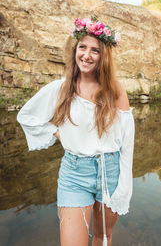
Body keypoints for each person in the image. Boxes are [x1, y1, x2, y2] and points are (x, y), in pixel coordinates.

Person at [17, 16, 135, 246]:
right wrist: (58, 133)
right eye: (82, 47)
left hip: (110, 172)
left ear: (104, 57)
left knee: (102, 237)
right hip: (74, 175)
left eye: (95, 51)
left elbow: (127, 143)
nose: (87, 55)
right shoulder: (60, 88)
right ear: (75, 50)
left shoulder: (116, 90)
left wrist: (124, 186)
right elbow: (27, 116)